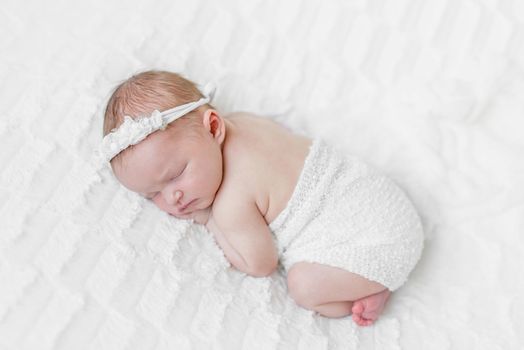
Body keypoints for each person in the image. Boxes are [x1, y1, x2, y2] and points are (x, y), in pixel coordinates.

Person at [101, 70, 424, 326]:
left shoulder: (230, 205)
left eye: (175, 175)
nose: (173, 198)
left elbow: (261, 264)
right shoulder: (245, 121)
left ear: (213, 128)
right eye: (151, 195)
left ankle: (374, 287)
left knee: (305, 288)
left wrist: (209, 219)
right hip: (382, 200)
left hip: (372, 249)